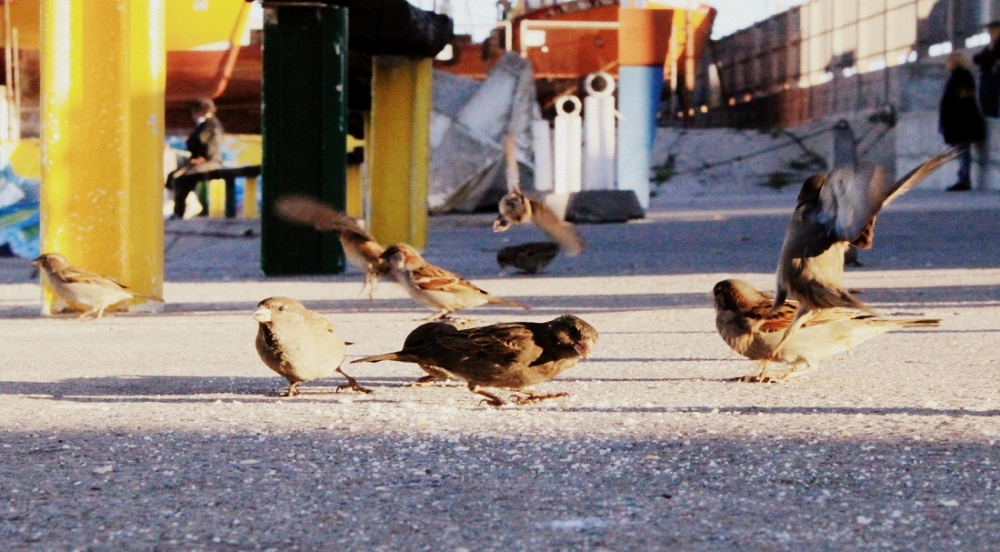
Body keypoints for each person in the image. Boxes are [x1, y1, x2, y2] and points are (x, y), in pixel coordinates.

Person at [165, 98, 224, 219]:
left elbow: (202, 143)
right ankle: (180, 207)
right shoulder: (209, 124)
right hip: (203, 160)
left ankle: (182, 210)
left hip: (210, 162)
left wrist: (201, 157)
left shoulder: (210, 125)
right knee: (174, 176)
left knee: (183, 178)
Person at [939, 52, 986, 191]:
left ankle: (964, 179)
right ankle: (963, 178)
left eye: (950, 61)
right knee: (962, 151)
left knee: (963, 151)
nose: (948, 64)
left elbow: (963, 96)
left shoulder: (961, 76)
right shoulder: (960, 76)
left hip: (961, 122)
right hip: (960, 121)